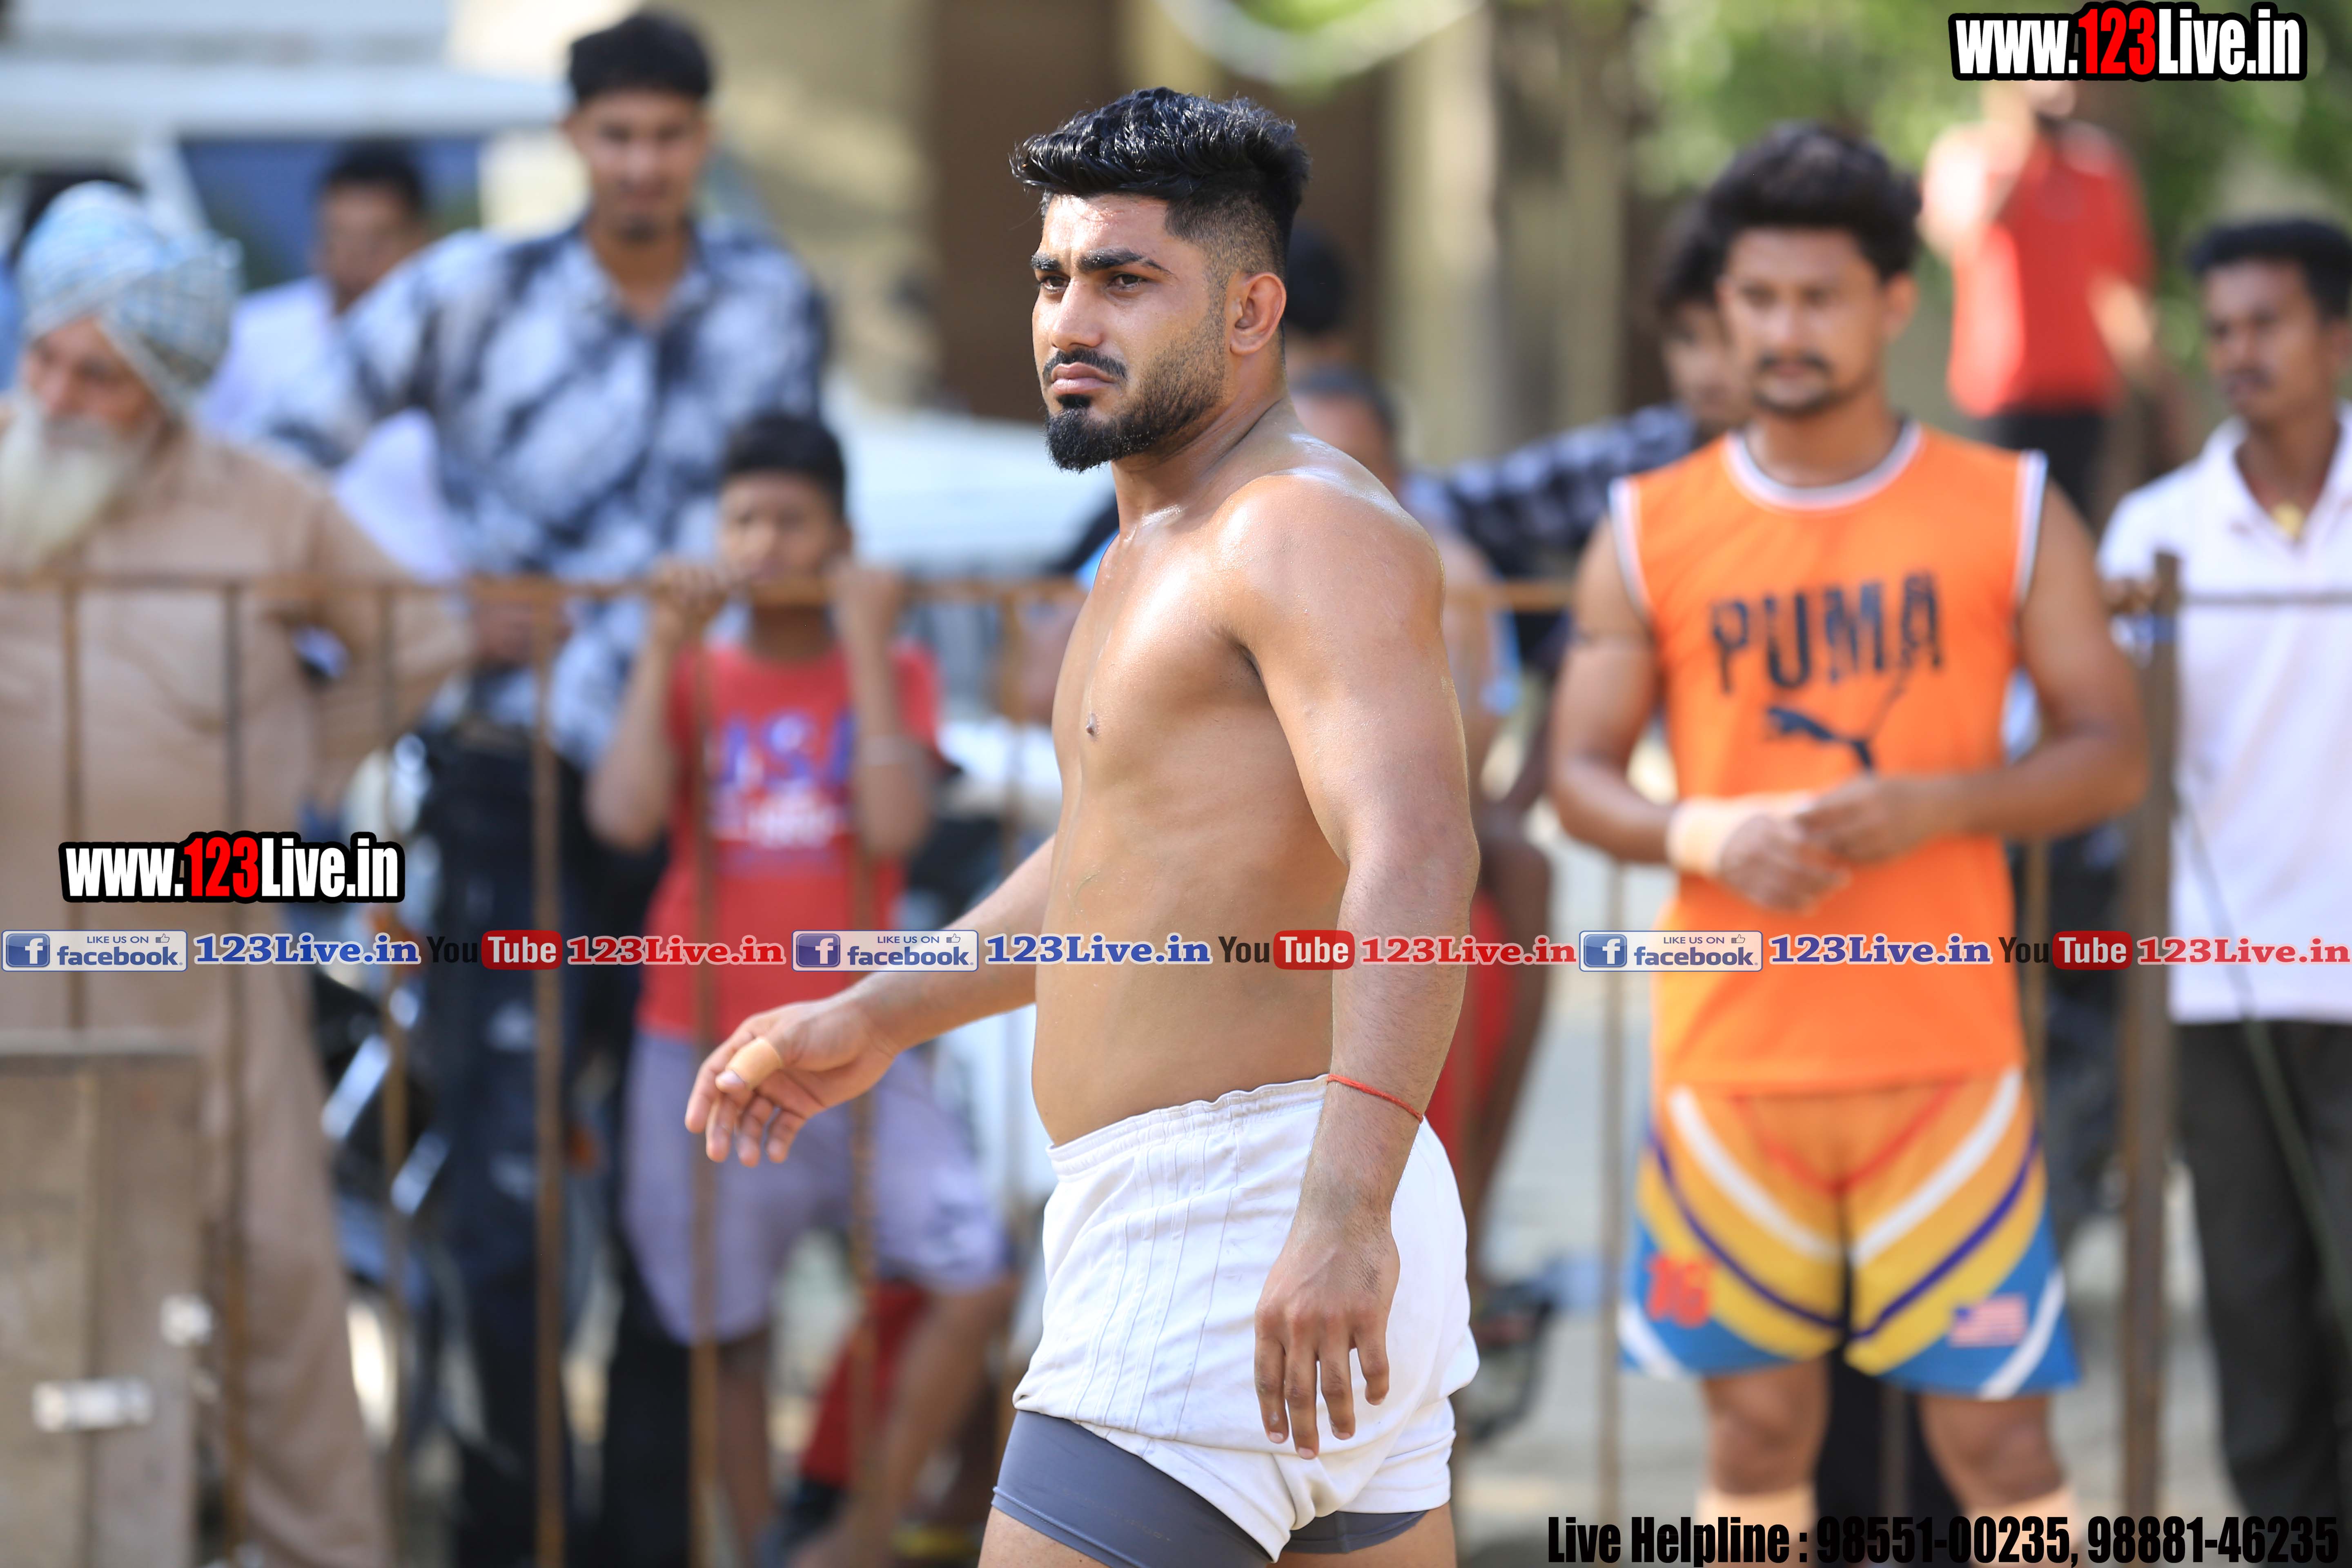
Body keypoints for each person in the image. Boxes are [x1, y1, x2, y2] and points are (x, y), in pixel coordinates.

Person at [691, 89, 1482, 1567]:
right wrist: (882, 1011)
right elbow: (1117, 865)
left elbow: (1419, 853)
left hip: (1240, 1213)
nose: (1071, 317)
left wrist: (1341, 1208)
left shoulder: (1295, 526)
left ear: (1250, 309)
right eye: (1055, 277)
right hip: (1240, 1211)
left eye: (1125, 279)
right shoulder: (1156, 542)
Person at [261, 13, 827, 1559]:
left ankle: (645, 1536)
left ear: (704, 141)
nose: (642, 164)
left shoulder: (773, 298)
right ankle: (510, 1529)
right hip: (507, 786)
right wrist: (430, 615)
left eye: (668, 136)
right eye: (615, 136)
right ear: (576, 141)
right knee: (506, 1198)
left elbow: (797, 510)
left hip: (700, 791)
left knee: (682, 1181)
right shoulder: (470, 288)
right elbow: (280, 458)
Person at [1548, 122, 2145, 1532]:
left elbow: (2113, 752)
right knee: (1756, 1445)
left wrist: (1948, 803)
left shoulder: (2009, 508)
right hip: (1731, 1069)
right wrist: (1706, 834)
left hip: (1949, 1063)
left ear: (1891, 301)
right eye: (1757, 299)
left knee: (2003, 1451)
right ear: (1723, 310)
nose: (1785, 330)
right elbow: (1576, 775)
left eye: (1819, 298)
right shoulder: (1650, 525)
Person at [0, 183, 469, 1568]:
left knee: (272, 1273)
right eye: (44, 360)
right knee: (39, 1281)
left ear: (166, 389)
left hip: (212, 949)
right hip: (20, 954)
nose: (59, 397)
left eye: (100, 375)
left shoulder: (264, 505)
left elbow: (421, 640)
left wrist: (293, 776)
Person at [585, 412, 1014, 1566]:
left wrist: (869, 644)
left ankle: (861, 1535)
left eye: (791, 521)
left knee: (972, 1272)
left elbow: (896, 826)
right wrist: (658, 650)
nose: (764, 544)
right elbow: (622, 815)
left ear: (841, 539)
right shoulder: (697, 668)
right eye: (742, 520)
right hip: (700, 1034)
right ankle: (763, 1548)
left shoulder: (895, 667)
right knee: (726, 1325)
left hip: (860, 1031)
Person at [2099, 217, 2352, 1521]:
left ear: (2338, 336)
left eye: (2269, 323)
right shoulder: (2156, 530)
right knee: (2255, 1310)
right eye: (2224, 328)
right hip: (2219, 976)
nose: (2240, 351)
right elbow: (2098, 756)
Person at [1287, 363, 1533, 1272]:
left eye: (1350, 467)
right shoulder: (1201, 549)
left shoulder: (1443, 571)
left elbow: (1455, 764)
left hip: (1391, 908)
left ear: (1397, 476)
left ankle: (1465, 1254)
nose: (1322, 492)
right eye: (1300, 461)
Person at [204, 141, 457, 582]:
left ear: (422, 242)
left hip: (434, 615)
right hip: (285, 614)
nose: (353, 261)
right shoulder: (250, 338)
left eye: (376, 242)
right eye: (336, 237)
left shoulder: (465, 353)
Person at [1920, 81, 2167, 518]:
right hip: (2003, 393)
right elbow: (1962, 236)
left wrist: (2158, 384)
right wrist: (2022, 150)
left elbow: (2120, 288)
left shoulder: (2098, 168)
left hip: (2082, 391)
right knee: (2000, 526)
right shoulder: (1968, 157)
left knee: (2072, 523)